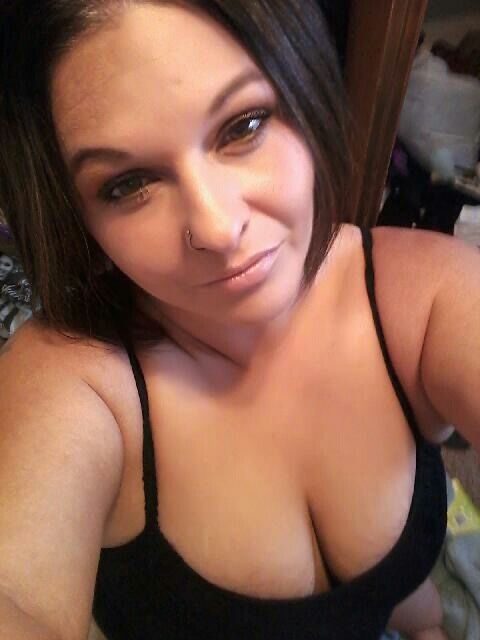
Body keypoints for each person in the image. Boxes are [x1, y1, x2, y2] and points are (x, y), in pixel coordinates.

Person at [0, 1, 478, 639]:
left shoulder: (425, 294)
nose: (219, 229)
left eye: (243, 126)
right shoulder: (74, 382)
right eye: (128, 183)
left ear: (305, 88)